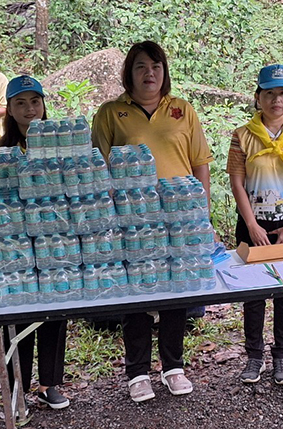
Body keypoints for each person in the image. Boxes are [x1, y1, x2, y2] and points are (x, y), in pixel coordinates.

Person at [92, 40, 214, 403]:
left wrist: (201, 211)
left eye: (156, 66)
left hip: (179, 219)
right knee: (137, 293)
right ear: (129, 72)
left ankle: (173, 367)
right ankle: (138, 373)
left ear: (165, 72)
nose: (150, 73)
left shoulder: (182, 110)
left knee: (175, 290)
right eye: (141, 66)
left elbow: (200, 163)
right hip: (131, 220)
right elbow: (99, 168)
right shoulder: (110, 113)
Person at [226, 64, 283, 385]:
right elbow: (237, 183)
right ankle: (254, 356)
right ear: (258, 97)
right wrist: (251, 225)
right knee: (253, 292)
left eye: (282, 93)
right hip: (254, 227)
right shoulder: (242, 136)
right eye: (269, 93)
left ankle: (282, 356)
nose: (276, 100)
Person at [0, 75, 69, 410]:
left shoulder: (61, 145)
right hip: (15, 246)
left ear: (43, 105)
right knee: (19, 317)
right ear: (9, 109)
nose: (29, 109)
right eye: (20, 103)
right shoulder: (0, 152)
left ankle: (50, 383)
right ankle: (17, 388)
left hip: (56, 241)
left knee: (55, 312)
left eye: (35, 102)